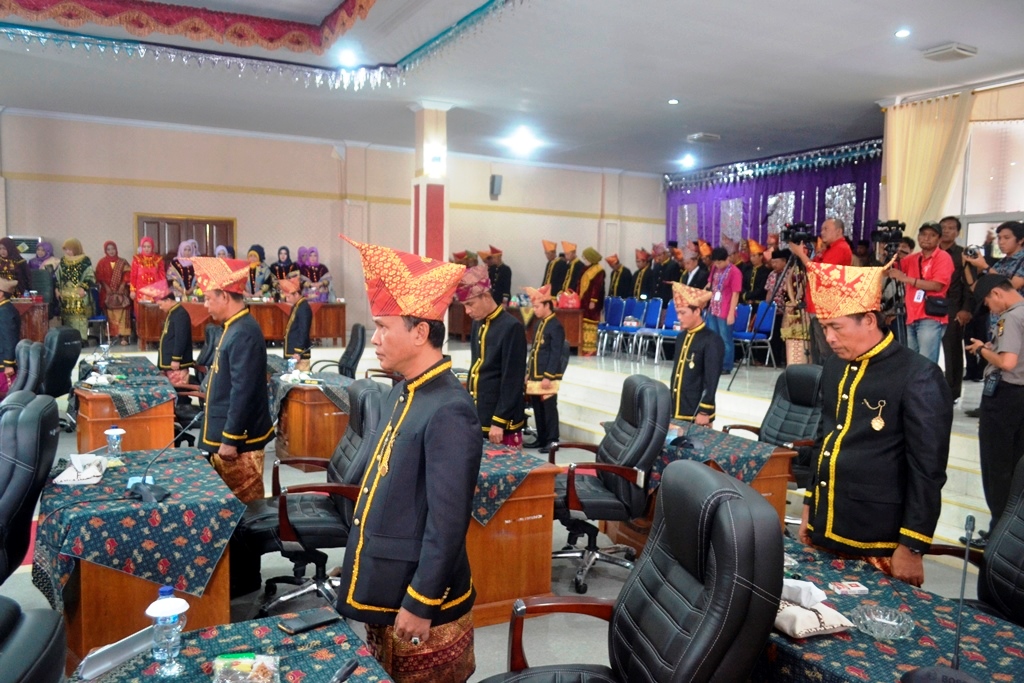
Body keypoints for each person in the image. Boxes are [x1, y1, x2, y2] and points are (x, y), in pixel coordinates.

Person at [336, 236, 479, 682]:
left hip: (420, 603)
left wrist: (422, 600)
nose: (374, 339)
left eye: (383, 327)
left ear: (420, 332)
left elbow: (448, 520)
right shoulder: (406, 388)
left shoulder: (449, 407)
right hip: (389, 582)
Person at [798, 259, 952, 587]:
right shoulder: (835, 366)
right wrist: (810, 507)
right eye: (824, 328)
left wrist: (912, 545)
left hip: (876, 537)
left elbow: (928, 470)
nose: (829, 338)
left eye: (836, 327)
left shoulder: (918, 375)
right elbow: (824, 438)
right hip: (826, 526)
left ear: (869, 320)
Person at [193, 256, 274, 504]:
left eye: (208, 298)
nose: (205, 305)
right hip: (227, 437)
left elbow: (243, 392)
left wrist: (230, 438)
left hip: (239, 444)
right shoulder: (232, 327)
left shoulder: (244, 332)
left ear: (225, 297)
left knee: (243, 512)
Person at [966, 274, 1024, 545]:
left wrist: (982, 350)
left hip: (1004, 398)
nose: (989, 308)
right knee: (1015, 467)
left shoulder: (1010, 317)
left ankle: (997, 533)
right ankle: (1012, 533)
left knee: (996, 468)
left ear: (998, 294)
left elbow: (1008, 363)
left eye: (988, 302)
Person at [458, 265, 527, 445]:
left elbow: (512, 379)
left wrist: (499, 420)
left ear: (486, 296)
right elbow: (477, 367)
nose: (467, 311)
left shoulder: (511, 327)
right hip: (481, 415)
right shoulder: (477, 324)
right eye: (464, 306)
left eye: (470, 304)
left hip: (500, 424)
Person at [887, 222, 954, 363]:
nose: (927, 238)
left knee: (926, 362)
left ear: (939, 239)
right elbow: (889, 270)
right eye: (923, 234)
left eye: (932, 235)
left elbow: (937, 285)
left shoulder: (943, 257)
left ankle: (928, 386)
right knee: (913, 362)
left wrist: (906, 279)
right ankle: (915, 386)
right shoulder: (913, 258)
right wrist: (888, 253)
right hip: (912, 316)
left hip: (931, 317)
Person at [792, 217, 853, 364]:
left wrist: (801, 254)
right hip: (817, 305)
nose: (822, 233)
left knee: (826, 350)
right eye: (821, 229)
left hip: (827, 307)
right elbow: (811, 268)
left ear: (839, 231)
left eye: (826, 229)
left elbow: (819, 272)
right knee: (817, 350)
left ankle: (827, 382)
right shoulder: (828, 249)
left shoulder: (841, 248)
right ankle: (819, 382)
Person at [668, 283, 723, 424]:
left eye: (683, 312)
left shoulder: (712, 340)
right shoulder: (681, 337)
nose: (679, 317)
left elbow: (711, 380)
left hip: (697, 411)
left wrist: (704, 410)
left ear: (697, 311)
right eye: (677, 313)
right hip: (677, 408)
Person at [938, 215, 976, 403]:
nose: (946, 230)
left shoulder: (963, 255)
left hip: (954, 308)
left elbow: (969, 286)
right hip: (928, 308)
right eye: (943, 227)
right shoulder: (931, 253)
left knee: (952, 351)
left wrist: (966, 309)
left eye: (951, 228)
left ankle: (952, 392)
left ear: (958, 232)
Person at [524, 284, 565, 453]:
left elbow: (556, 353)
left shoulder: (555, 325)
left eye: (537, 306)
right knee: (538, 409)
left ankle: (552, 440)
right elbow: (534, 351)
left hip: (548, 376)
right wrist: (528, 372)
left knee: (548, 408)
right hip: (535, 374)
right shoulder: (539, 324)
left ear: (547, 305)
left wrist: (548, 375)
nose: (534, 310)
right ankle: (541, 438)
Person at [139, 279, 193, 385]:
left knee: (179, 390)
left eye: (160, 304)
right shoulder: (173, 312)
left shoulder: (180, 314)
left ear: (168, 300)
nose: (160, 308)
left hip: (176, 364)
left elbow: (180, 338)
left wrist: (176, 359)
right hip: (170, 362)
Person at [706, 246, 742, 375]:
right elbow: (709, 283)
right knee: (714, 338)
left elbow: (735, 294)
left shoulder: (735, 272)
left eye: (720, 262)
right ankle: (715, 363)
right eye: (715, 262)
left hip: (725, 309)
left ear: (727, 258)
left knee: (725, 339)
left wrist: (731, 313)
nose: (717, 264)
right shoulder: (715, 268)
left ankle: (726, 366)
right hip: (713, 308)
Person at [55, 238, 95, 339]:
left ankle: (81, 339)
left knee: (80, 318)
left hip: (79, 294)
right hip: (66, 295)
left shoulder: (85, 260)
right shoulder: (63, 260)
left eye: (70, 249)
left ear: (76, 249)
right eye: (66, 250)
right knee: (67, 318)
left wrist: (83, 288)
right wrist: (57, 289)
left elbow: (90, 276)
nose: (67, 252)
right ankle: (70, 339)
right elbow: (58, 276)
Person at [94, 240, 132, 345]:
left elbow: (128, 275)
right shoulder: (101, 262)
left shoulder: (123, 262)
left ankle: (123, 337)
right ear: (105, 250)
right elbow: (99, 277)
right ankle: (111, 336)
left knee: (123, 314)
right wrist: (107, 288)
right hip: (107, 293)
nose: (111, 251)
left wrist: (122, 286)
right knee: (110, 315)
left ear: (116, 249)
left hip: (122, 293)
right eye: (108, 249)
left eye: (113, 249)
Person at [130, 236, 166, 321]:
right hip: (140, 290)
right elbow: (133, 275)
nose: (146, 249)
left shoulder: (158, 259)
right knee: (141, 312)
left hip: (154, 290)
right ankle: (141, 333)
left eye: (148, 246)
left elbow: (162, 275)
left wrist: (162, 291)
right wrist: (132, 290)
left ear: (152, 247)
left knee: (154, 312)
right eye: (144, 246)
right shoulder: (137, 259)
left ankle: (154, 333)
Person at [578, 247, 606, 356]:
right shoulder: (585, 269)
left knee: (591, 324)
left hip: (592, 303)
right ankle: (583, 347)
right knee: (583, 323)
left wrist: (593, 301)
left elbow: (597, 287)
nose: (584, 259)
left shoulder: (599, 270)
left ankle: (590, 349)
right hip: (583, 301)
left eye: (585, 257)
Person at [280, 277, 311, 371]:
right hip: (293, 355)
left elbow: (303, 331)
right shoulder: (297, 306)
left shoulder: (303, 308)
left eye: (288, 297)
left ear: (296, 294)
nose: (287, 300)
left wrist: (298, 352)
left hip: (298, 356)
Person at [0, 278, 20, 397]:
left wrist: (8, 364)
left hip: (3, 363)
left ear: (1, 293)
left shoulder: (5, 311)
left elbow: (9, 339)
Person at [741, 240, 770, 304]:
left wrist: (748, 296)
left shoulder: (765, 271)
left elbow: (761, 289)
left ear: (761, 256)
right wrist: (745, 296)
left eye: (754, 256)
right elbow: (743, 285)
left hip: (759, 303)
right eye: (751, 256)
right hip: (746, 302)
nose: (752, 258)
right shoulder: (748, 270)